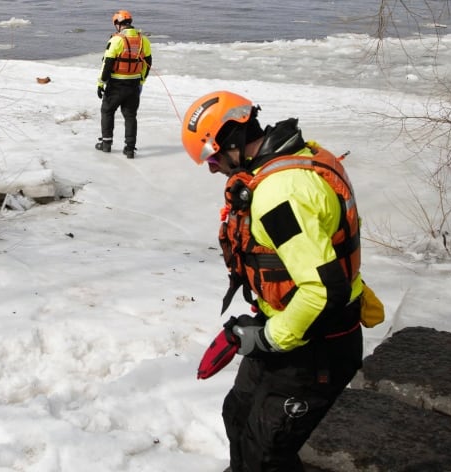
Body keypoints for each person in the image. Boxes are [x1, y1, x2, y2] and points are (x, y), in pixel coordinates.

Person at [181, 91, 364, 472]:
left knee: (266, 453)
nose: (213, 169)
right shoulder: (293, 157)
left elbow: (323, 291)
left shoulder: (280, 195)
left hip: (315, 344)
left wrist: (266, 339)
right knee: (237, 415)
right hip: (285, 325)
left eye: (213, 157)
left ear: (233, 139)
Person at [95, 10, 152, 159]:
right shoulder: (143, 40)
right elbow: (148, 63)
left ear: (117, 24)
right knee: (130, 116)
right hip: (133, 84)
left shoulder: (116, 40)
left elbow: (107, 64)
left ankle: (106, 144)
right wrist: (141, 82)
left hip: (116, 84)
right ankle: (130, 149)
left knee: (107, 111)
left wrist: (101, 83)